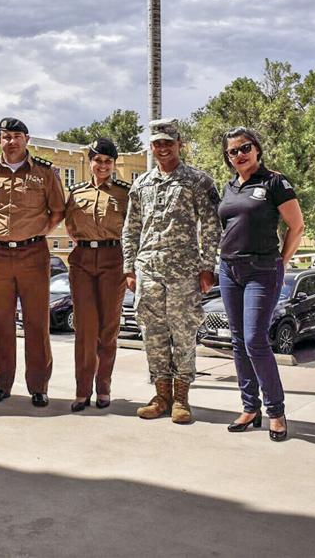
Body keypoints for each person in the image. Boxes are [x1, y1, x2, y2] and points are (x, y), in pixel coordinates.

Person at [122, 118, 221, 424]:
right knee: (153, 334)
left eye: (168, 142)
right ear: (151, 147)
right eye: (157, 143)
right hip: (148, 270)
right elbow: (131, 228)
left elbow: (211, 226)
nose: (163, 148)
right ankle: (161, 395)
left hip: (184, 272)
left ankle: (181, 398)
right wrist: (129, 267)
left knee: (184, 333)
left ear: (180, 144)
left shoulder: (198, 181)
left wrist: (207, 266)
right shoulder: (141, 184)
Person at [217, 127, 304, 442]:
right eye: (232, 152)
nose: (239, 155)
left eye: (245, 148)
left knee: (255, 339)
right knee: (238, 341)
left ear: (257, 149)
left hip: (262, 269)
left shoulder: (275, 182)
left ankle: (276, 412)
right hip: (228, 270)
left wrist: (282, 261)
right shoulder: (229, 187)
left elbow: (297, 226)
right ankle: (249, 407)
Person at [0, 117, 66, 407]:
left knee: (37, 320)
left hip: (33, 254)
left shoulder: (44, 172)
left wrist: (39, 233)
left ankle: (38, 386)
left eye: (16, 136)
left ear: (27, 139)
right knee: (0, 321)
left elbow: (58, 210)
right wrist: (0, 233)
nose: (11, 141)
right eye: (5, 136)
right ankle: (0, 384)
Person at [63, 137, 129, 412]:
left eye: (108, 161)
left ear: (113, 164)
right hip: (82, 259)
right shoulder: (76, 192)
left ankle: (103, 388)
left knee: (108, 329)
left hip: (114, 258)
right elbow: (69, 225)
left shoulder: (125, 193)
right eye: (98, 160)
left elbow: (133, 227)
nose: (102, 165)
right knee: (84, 328)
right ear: (90, 163)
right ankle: (82, 391)